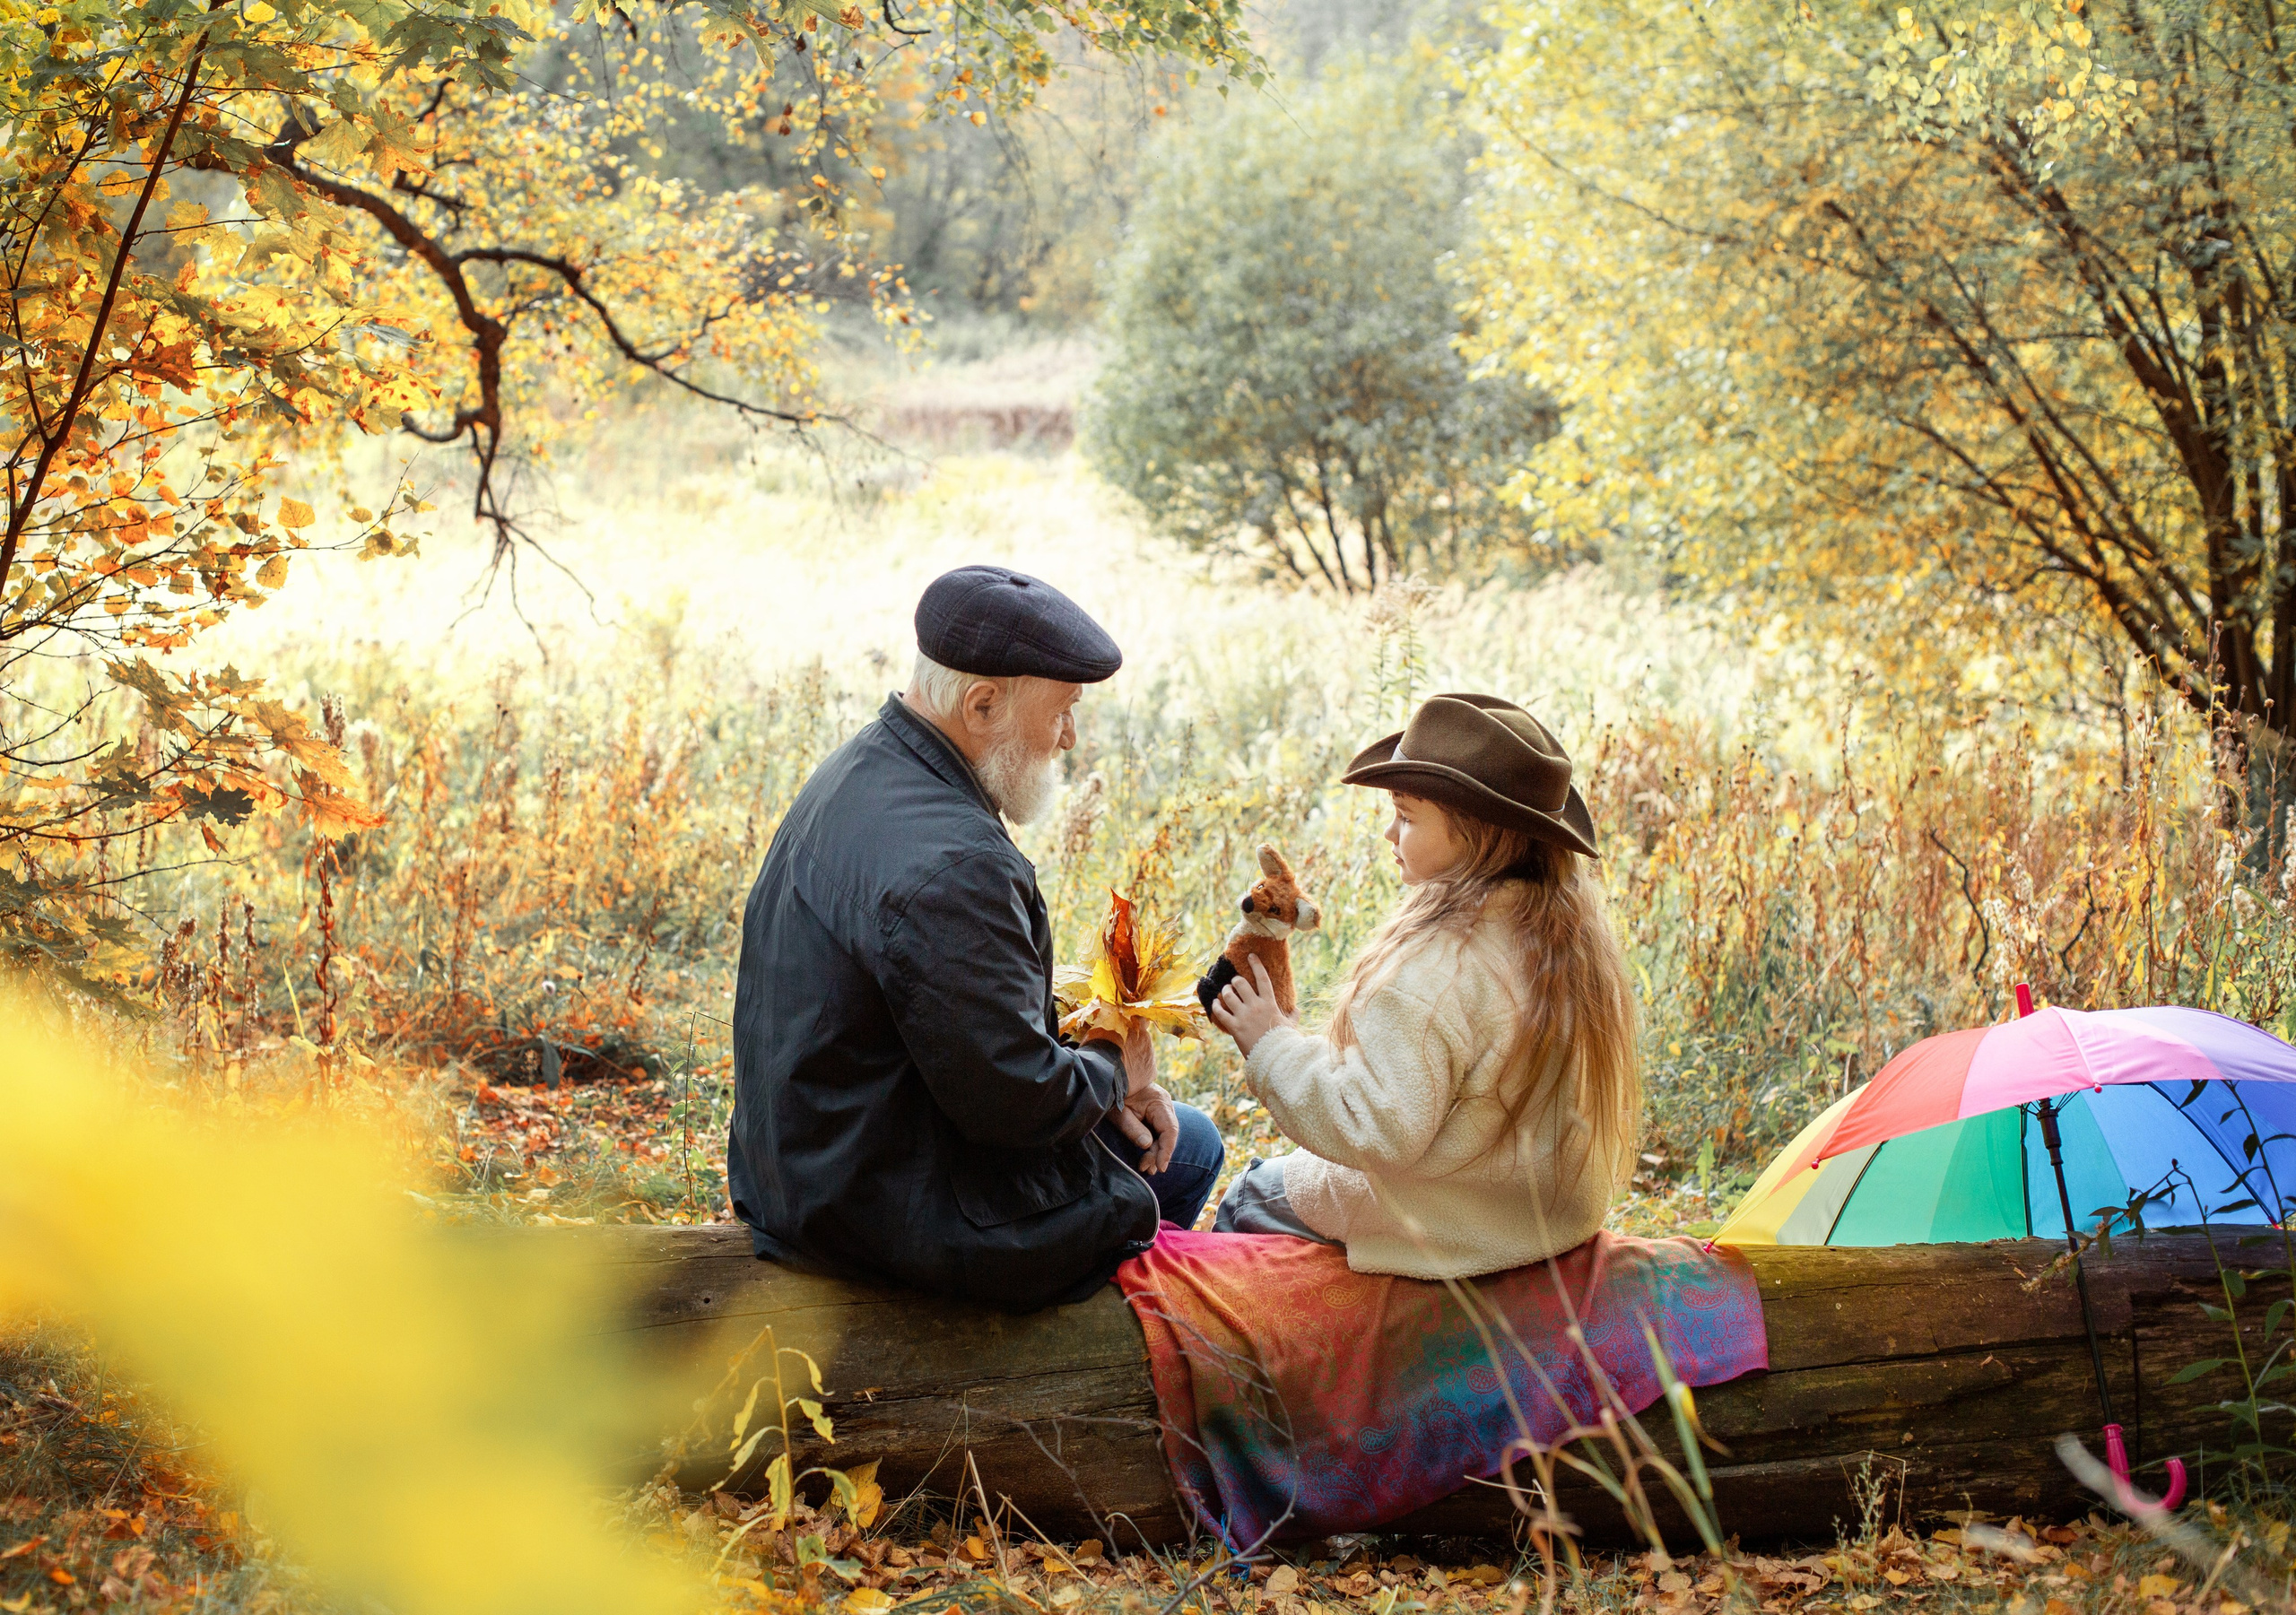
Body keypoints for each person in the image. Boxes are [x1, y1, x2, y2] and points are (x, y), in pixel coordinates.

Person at [727, 565, 1223, 1312]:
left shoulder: (862, 766)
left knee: (1168, 1130)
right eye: (1062, 711)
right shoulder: (957, 865)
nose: (1070, 737)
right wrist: (1118, 1066)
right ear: (983, 703)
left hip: (806, 1168)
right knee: (1191, 1151)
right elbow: (1018, 1104)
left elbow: (960, 1027)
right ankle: (1098, 1358)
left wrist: (1096, 1082)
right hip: (885, 1214)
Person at [1205, 693, 1639, 1278]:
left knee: (1251, 1191)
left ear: (1475, 833)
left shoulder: (1436, 970)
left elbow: (1375, 1127)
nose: (1389, 832)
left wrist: (1272, 1044)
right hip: (1539, 1218)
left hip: (1445, 1224)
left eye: (1406, 816)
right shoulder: (1565, 939)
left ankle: (1216, 1333)